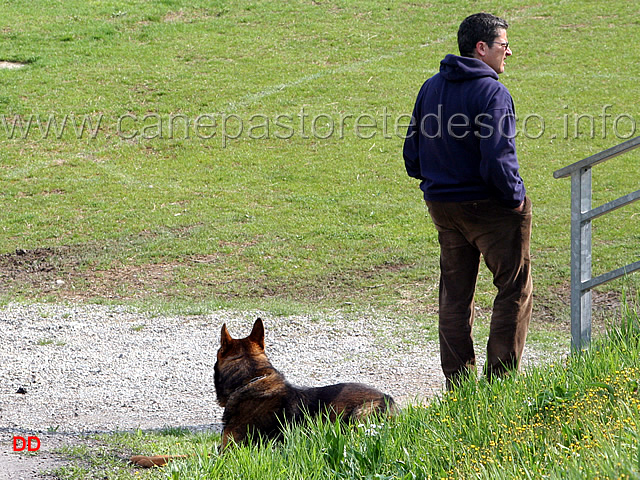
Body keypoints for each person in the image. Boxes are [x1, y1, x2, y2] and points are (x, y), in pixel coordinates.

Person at [403, 13, 533, 389]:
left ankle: (459, 388)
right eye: (503, 44)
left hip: (443, 208)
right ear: (481, 48)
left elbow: (412, 151)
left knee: (455, 297)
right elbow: (498, 157)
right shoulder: (493, 93)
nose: (509, 51)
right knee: (513, 288)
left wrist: (436, 183)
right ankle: (500, 386)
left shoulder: (431, 87)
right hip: (489, 210)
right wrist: (515, 199)